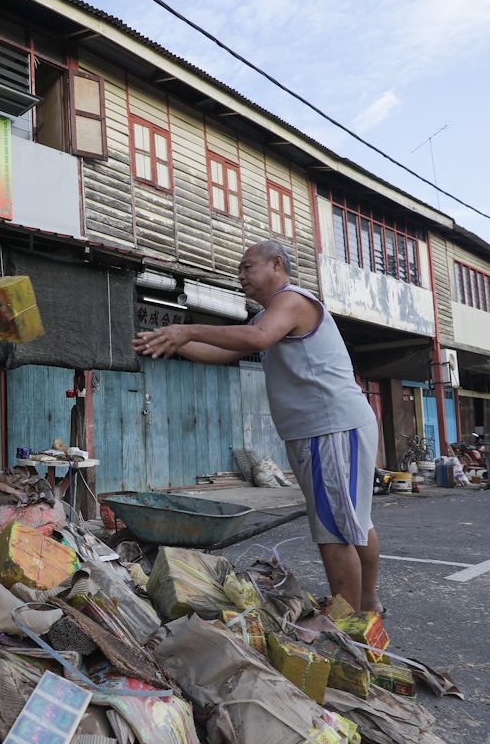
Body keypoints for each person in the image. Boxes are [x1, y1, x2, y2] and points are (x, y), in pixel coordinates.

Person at [133, 240, 382, 614]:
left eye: (247, 267)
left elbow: (257, 338)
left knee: (335, 531)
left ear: (276, 265)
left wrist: (187, 331)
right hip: (323, 429)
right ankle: (367, 606)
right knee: (353, 521)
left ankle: (347, 626)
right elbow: (224, 353)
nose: (240, 275)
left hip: (330, 428)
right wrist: (170, 343)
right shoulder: (266, 316)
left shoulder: (292, 301)